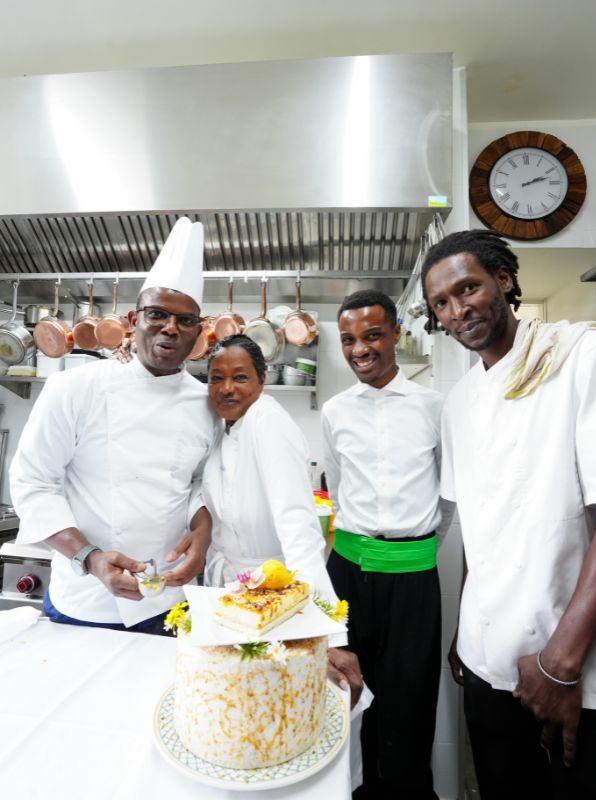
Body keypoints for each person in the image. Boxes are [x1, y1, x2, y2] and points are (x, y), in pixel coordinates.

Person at [421, 228, 596, 800]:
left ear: (503, 279)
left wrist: (561, 663)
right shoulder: (458, 403)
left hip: (566, 661)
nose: (457, 310)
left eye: (467, 288)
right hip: (483, 655)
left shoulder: (578, 358)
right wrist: (464, 628)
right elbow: (480, 526)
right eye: (441, 304)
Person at [10, 217, 216, 634]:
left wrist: (203, 530)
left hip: (169, 599)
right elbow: (33, 484)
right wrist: (89, 556)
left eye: (186, 320)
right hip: (82, 601)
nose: (170, 328)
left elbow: (200, 483)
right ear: (133, 318)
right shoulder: (73, 388)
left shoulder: (207, 403)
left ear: (199, 331)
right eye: (157, 313)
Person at [322, 289, 448, 800]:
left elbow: (449, 497)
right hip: (346, 573)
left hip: (412, 578)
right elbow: (336, 482)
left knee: (407, 706)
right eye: (349, 340)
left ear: (397, 333)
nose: (360, 350)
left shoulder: (434, 406)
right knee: (341, 698)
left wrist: (411, 546)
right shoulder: (334, 411)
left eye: (372, 335)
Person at [201, 333, 362, 705]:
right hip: (231, 596)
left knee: (273, 708)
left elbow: (298, 526)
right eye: (215, 377)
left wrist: (328, 635)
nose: (226, 388)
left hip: (277, 603)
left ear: (261, 380)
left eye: (240, 377)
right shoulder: (225, 429)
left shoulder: (267, 421)